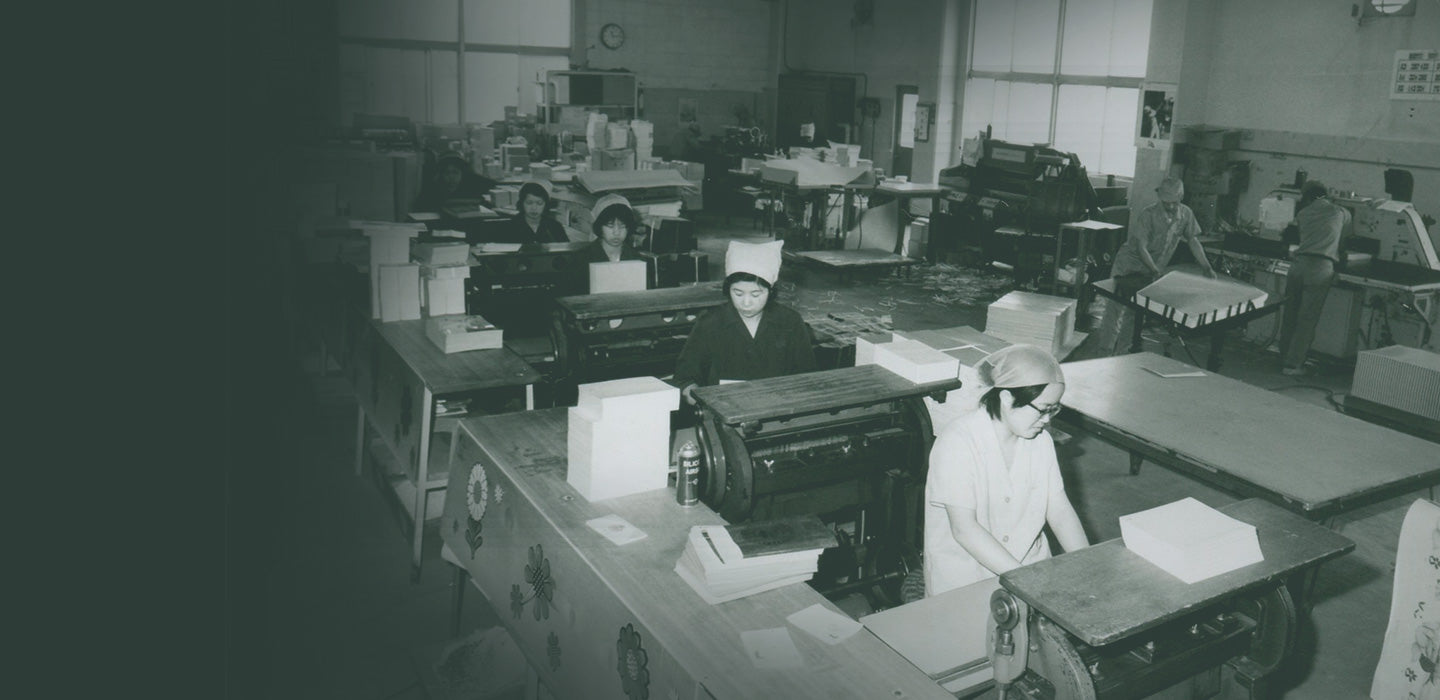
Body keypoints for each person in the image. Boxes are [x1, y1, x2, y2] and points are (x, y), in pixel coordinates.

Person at [923, 344, 1089, 597]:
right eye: (1043, 409)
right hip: (967, 576)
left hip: (1029, 566)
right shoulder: (958, 442)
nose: (1047, 420)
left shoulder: (1040, 441)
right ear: (1006, 398)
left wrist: (1089, 565)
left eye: (1054, 409)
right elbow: (964, 530)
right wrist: (1025, 584)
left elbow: (1059, 510)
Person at [672, 239, 817, 404]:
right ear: (728, 290)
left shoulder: (790, 322)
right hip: (723, 413)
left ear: (770, 291)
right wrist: (700, 401)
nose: (746, 303)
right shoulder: (710, 322)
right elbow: (685, 377)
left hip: (779, 410)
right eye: (738, 293)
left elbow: (807, 375)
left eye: (756, 294)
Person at [1090, 177, 1216, 356]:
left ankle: (1122, 354)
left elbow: (1193, 240)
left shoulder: (1186, 214)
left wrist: (1206, 267)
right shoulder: (1148, 215)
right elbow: (1141, 247)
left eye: (1174, 202)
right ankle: (1104, 352)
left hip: (1151, 268)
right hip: (1129, 265)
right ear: (1159, 197)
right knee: (1115, 307)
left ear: (1181, 197)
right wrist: (1155, 271)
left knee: (1135, 311)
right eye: (1166, 203)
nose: (1171, 207)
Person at [1279, 180, 1351, 376]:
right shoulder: (1341, 212)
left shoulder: (1302, 213)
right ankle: (1293, 365)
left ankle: (1283, 357)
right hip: (1320, 268)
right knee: (1307, 319)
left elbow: (1296, 236)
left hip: (1298, 265)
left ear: (1309, 197)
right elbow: (1343, 242)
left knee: (1290, 315)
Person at [567, 194, 648, 295]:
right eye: (610, 226)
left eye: (622, 226)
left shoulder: (638, 260)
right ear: (599, 227)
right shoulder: (580, 259)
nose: (616, 232)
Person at [411, 154, 497, 212]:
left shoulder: (471, 187)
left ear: (462, 174)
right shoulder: (432, 190)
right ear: (441, 175)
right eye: (447, 173)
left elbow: (492, 185)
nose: (451, 177)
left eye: (455, 172)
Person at [496, 180, 568, 246]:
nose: (534, 208)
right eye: (529, 203)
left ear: (545, 205)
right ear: (521, 203)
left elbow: (567, 253)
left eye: (539, 203)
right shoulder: (509, 228)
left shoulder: (555, 226)